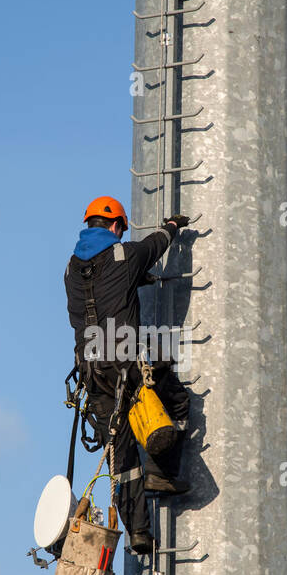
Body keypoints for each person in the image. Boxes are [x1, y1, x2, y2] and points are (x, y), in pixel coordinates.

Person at [64, 196, 191, 555]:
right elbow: (156, 245)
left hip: (91, 373)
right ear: (117, 226)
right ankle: (164, 472)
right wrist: (172, 227)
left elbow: (101, 294)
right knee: (175, 398)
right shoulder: (126, 256)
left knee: (121, 458)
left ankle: (139, 533)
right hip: (126, 366)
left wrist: (134, 282)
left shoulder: (71, 269)